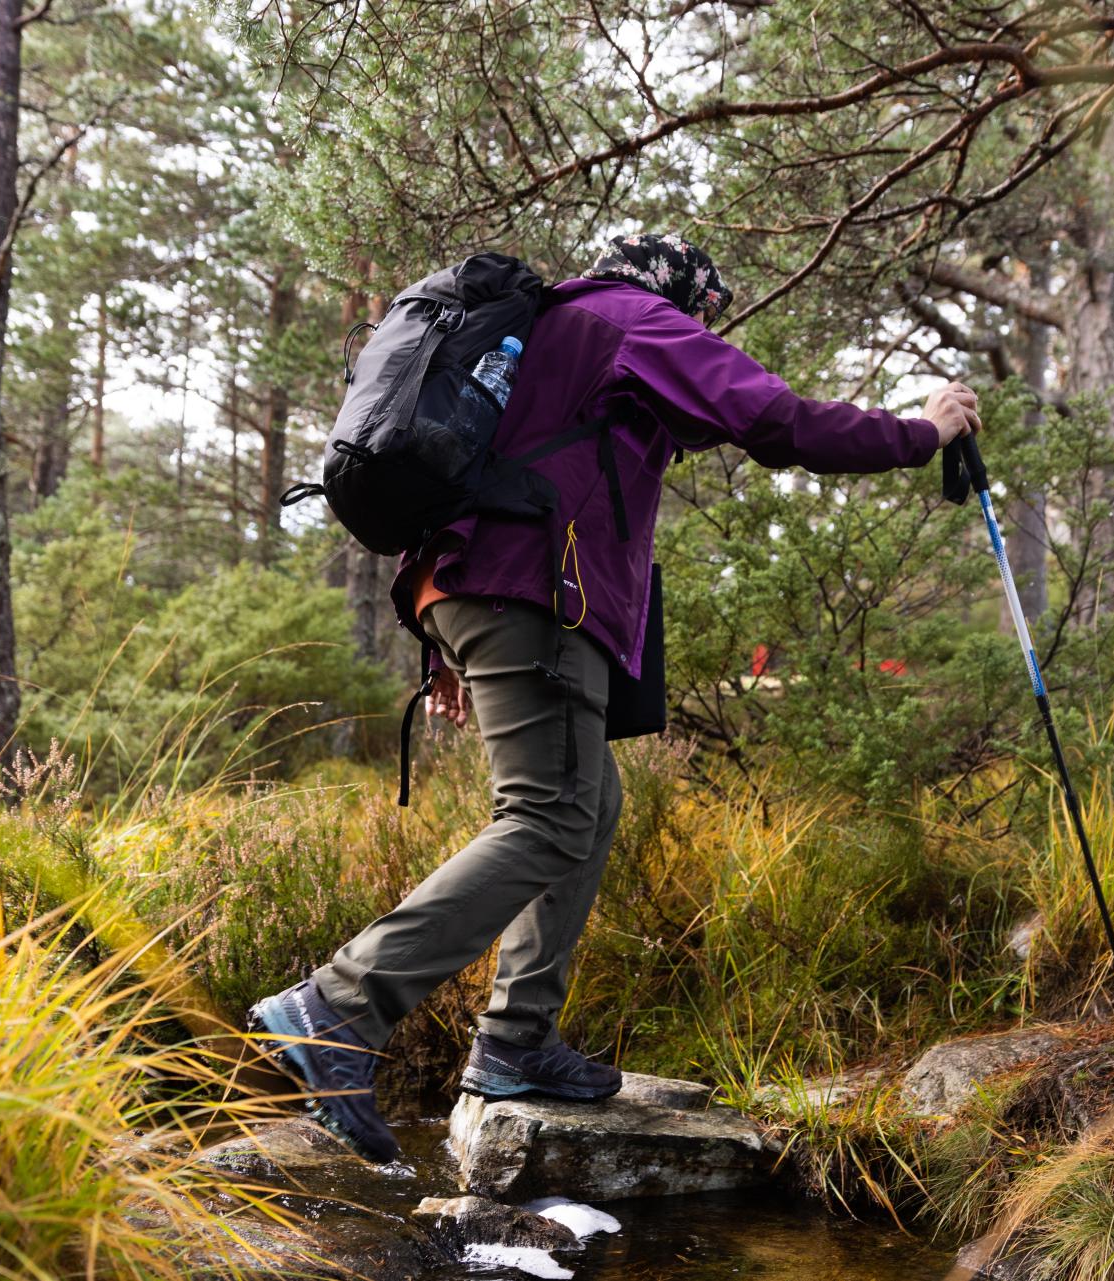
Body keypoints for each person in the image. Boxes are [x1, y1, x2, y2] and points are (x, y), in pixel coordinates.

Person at [249, 233, 982, 1162]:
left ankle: (515, 1042)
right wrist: (920, 431)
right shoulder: (633, 321)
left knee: (589, 802)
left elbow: (464, 484)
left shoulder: (539, 340)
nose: (704, 327)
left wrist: (442, 643)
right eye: (705, 309)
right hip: (533, 594)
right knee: (550, 813)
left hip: (478, 587)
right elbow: (778, 420)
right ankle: (335, 1009)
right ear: (680, 291)